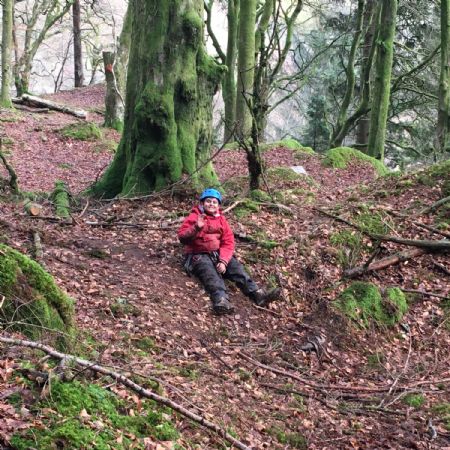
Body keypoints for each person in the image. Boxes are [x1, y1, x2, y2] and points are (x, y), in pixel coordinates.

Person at [178, 188, 281, 315]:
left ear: (218, 205)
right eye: (208, 201)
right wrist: (196, 227)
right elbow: (182, 237)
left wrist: (223, 261)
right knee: (210, 275)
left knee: (237, 269)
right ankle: (221, 300)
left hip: (217, 253)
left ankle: (257, 294)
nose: (211, 204)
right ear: (202, 203)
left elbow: (228, 241)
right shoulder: (194, 216)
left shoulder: (221, 220)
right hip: (198, 255)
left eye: (214, 202)